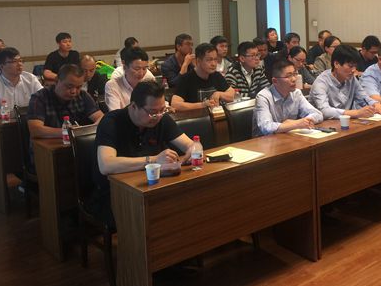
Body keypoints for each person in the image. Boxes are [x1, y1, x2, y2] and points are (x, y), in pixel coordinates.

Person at [90, 81, 193, 228]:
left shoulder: (161, 118)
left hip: (151, 187)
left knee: (185, 203)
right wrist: (154, 160)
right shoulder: (111, 122)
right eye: (152, 112)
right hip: (116, 194)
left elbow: (190, 145)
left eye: (162, 110)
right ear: (133, 106)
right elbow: (106, 165)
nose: (158, 116)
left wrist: (194, 150)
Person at [27, 64, 103, 167]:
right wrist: (70, 132)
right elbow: (36, 130)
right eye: (69, 86)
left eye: (78, 87)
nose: (74, 91)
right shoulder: (40, 98)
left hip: (77, 150)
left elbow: (101, 118)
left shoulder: (83, 96)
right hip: (46, 155)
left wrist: (85, 130)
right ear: (57, 81)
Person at [310, 44, 381, 120]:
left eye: (355, 66)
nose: (353, 70)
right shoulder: (321, 83)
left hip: (346, 123)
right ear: (336, 64)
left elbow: (364, 98)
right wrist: (356, 113)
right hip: (322, 125)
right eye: (350, 66)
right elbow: (325, 111)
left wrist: (376, 104)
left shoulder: (351, 78)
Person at [253, 60, 323, 136]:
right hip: (264, 140)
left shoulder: (296, 93)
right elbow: (266, 127)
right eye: (288, 76)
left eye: (295, 74)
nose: (294, 79)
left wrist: (304, 121)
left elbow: (318, 114)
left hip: (287, 137)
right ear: (275, 81)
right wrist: (296, 124)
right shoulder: (263, 97)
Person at [0, 47, 42, 120]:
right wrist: (10, 113)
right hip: (4, 124)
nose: (19, 64)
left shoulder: (30, 79)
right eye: (14, 61)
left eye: (20, 60)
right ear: (1, 66)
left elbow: (45, 100)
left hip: (30, 122)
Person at [171, 43, 235, 111]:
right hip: (196, 116)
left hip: (216, 115)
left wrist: (220, 94)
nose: (213, 64)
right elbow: (175, 104)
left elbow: (231, 95)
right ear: (198, 61)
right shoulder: (186, 78)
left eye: (215, 59)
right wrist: (202, 105)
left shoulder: (216, 75)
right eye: (209, 60)